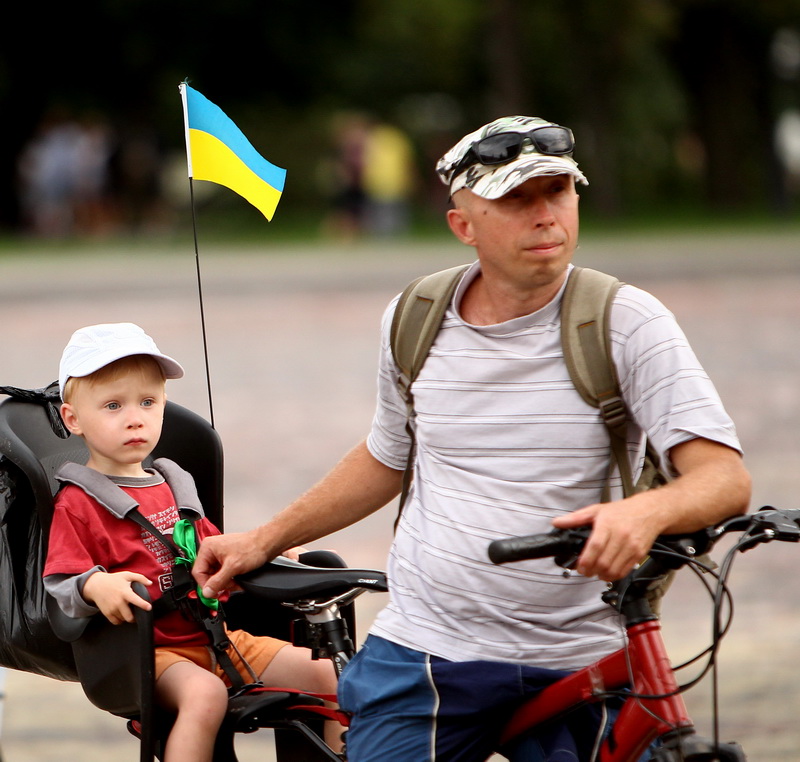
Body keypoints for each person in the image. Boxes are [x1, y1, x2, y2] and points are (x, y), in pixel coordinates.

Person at [192, 116, 752, 761]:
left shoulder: (627, 321)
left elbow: (723, 478)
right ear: (464, 225)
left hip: (583, 653)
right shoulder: (416, 317)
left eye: (558, 191)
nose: (545, 215)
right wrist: (263, 540)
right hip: (429, 649)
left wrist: (646, 511)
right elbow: (386, 457)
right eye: (516, 198)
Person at [43, 323, 342, 762]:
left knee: (331, 675)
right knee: (205, 695)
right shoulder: (79, 502)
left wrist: (263, 549)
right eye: (113, 406)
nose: (135, 418)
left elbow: (212, 554)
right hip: (148, 654)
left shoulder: (173, 485)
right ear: (73, 419)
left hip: (217, 638)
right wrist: (95, 585)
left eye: (148, 402)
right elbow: (60, 581)